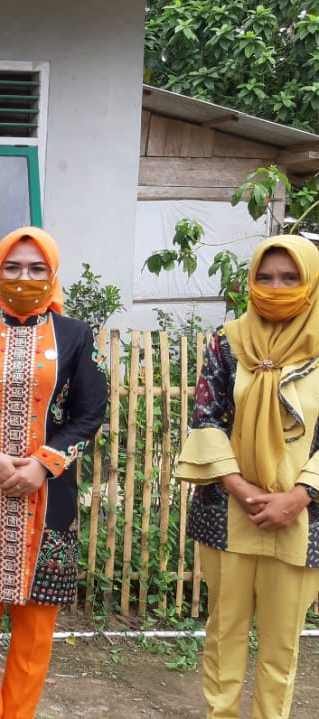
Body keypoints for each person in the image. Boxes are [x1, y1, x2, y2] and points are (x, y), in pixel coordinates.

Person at [0, 227, 106, 719]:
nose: (23, 278)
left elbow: (90, 412)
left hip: (46, 500)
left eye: (36, 269)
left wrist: (43, 465)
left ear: (52, 274)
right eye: (13, 267)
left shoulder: (75, 336)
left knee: (34, 639)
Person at [175, 235, 319, 719]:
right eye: (265, 276)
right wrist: (241, 488)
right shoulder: (228, 341)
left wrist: (297, 497)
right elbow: (206, 417)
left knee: (281, 647)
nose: (275, 287)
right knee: (224, 633)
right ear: (250, 281)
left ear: (311, 281)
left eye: (289, 277)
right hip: (226, 510)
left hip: (304, 518)